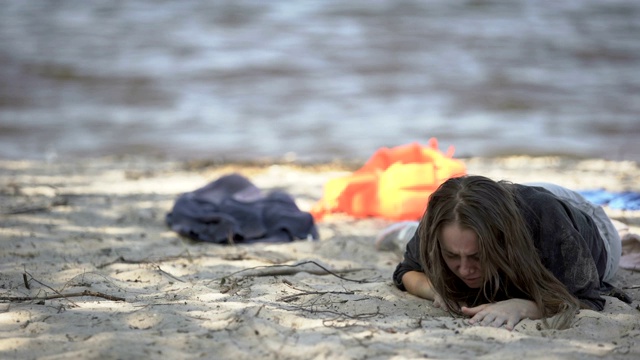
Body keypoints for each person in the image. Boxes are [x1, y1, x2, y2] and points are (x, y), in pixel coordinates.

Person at [390, 175, 630, 330]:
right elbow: (406, 271)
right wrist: (436, 291)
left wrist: (525, 306)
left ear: (502, 241)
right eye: (452, 256)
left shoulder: (548, 225)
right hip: (511, 198)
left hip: (590, 223)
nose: (464, 270)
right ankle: (408, 232)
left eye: (477, 256)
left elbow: (588, 297)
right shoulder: (442, 218)